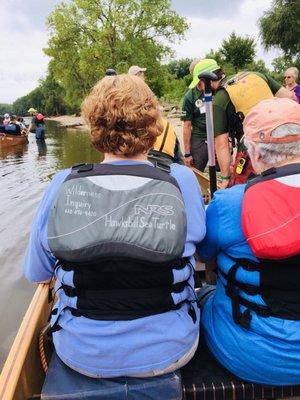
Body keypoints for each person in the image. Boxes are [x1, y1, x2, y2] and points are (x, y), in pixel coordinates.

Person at [23, 74, 205, 392]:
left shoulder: (63, 182)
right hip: (170, 349)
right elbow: (200, 249)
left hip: (79, 351)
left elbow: (37, 271)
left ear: (94, 126)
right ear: (152, 124)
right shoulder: (182, 180)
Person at [197, 98, 300, 385]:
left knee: (201, 295)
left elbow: (206, 254)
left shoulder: (230, 203)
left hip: (252, 357)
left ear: (253, 151)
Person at [192, 60, 296, 188]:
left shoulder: (219, 100)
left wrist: (225, 178)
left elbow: (221, 144)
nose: (200, 89)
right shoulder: (257, 75)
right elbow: (290, 97)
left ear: (205, 81)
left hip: (252, 149)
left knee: (239, 187)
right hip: (288, 141)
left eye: (199, 85)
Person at [181, 59, 221, 171]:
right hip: (199, 139)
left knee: (225, 170)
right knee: (196, 172)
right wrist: (187, 153)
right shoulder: (190, 97)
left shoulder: (217, 90)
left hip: (218, 136)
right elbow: (187, 126)